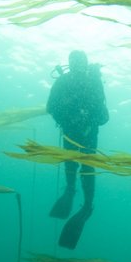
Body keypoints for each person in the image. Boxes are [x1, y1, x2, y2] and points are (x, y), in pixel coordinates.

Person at [46, 50, 109, 249]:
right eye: (75, 62)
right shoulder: (64, 82)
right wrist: (70, 120)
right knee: (77, 164)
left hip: (85, 132)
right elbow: (51, 107)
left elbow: (104, 115)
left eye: (80, 62)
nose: (78, 66)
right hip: (72, 131)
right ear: (70, 64)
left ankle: (84, 202)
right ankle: (74, 193)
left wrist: (86, 122)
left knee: (83, 165)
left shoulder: (92, 81)